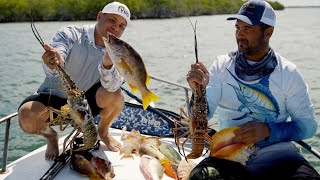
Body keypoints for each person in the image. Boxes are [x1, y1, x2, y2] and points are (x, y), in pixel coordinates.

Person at [186, 0, 320, 179]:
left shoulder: (288, 73)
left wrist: (268, 130)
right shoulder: (221, 65)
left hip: (279, 155)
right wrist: (197, 91)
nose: (240, 34)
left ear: (268, 32)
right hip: (229, 155)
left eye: (247, 29)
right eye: (237, 28)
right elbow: (202, 117)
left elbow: (308, 126)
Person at [18, 1, 131, 160]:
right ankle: (51, 137)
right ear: (100, 16)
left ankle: (103, 131)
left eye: (122, 26)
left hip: (85, 103)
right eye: (112, 20)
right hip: (54, 98)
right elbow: (58, 56)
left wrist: (107, 65)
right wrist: (54, 61)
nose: (116, 28)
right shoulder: (70, 33)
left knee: (117, 96)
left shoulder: (119, 50)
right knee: (26, 116)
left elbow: (112, 86)